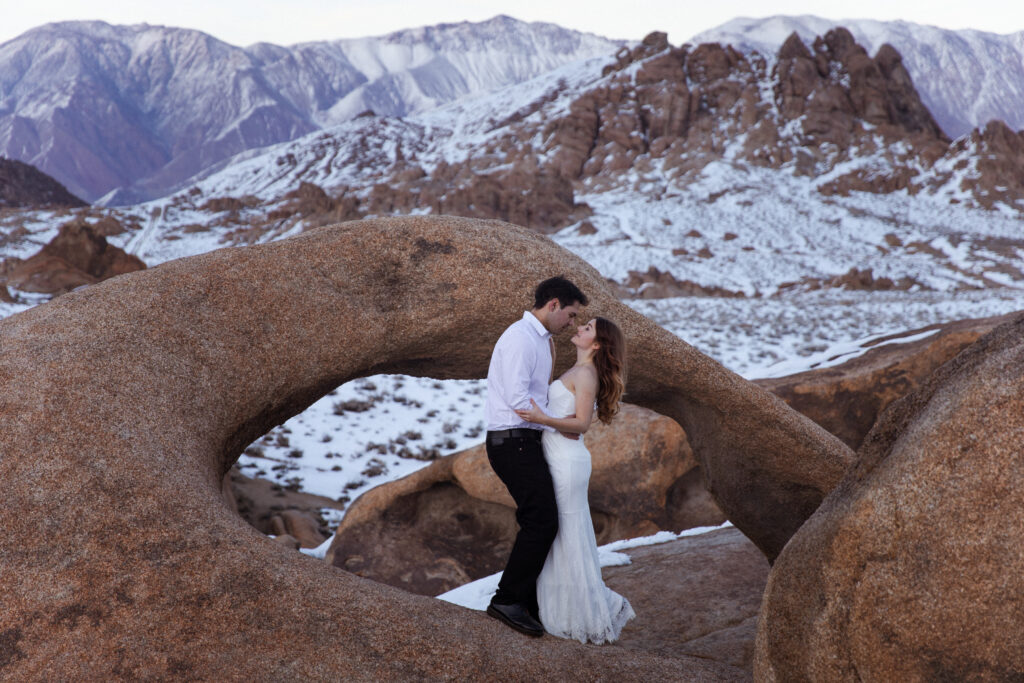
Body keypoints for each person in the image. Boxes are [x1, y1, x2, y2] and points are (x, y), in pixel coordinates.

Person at [514, 317, 635, 644]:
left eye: (587, 328)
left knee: (564, 530)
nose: (579, 328)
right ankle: (559, 611)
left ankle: (577, 615)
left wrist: (540, 418)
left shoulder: (586, 374)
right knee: (558, 531)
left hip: (567, 459)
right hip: (558, 453)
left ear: (596, 344)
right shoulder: (576, 370)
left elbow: (582, 423)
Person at [483, 276, 588, 637]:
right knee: (542, 521)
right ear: (554, 304)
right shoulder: (520, 338)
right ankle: (507, 601)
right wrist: (558, 425)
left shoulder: (541, 341)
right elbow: (518, 400)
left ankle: (524, 601)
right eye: (571, 315)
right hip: (513, 442)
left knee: (539, 518)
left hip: (525, 441)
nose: (572, 324)